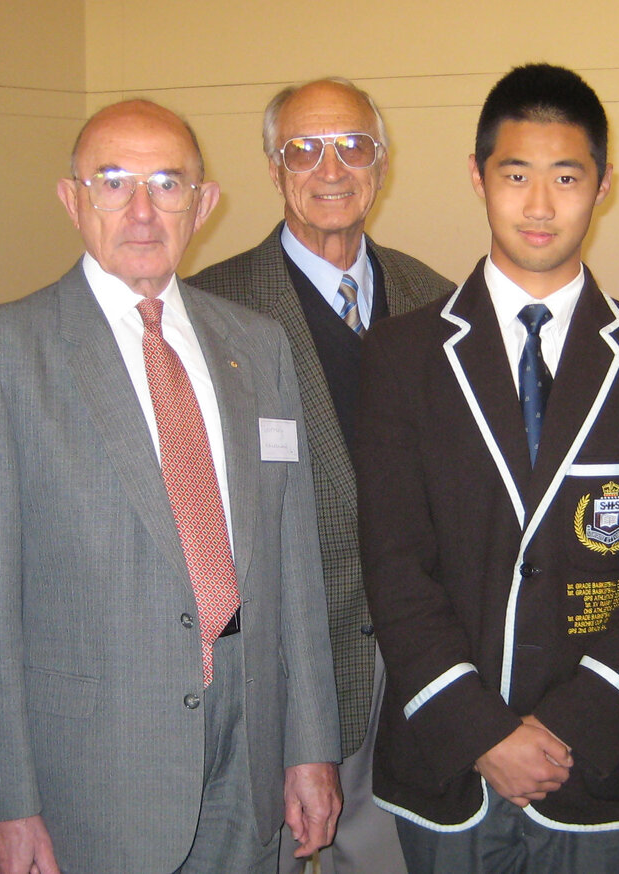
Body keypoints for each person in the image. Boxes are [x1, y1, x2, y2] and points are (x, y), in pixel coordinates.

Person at [0, 99, 342, 874]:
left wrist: (311, 747)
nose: (144, 211)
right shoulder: (0, 352)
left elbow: (295, 564)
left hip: (249, 752)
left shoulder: (256, 347)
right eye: (114, 182)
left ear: (206, 201)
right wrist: (10, 805)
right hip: (95, 774)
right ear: (72, 199)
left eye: (168, 183)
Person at [354, 63, 619, 874]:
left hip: (601, 765)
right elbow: (396, 568)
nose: (541, 205)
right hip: (448, 764)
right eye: (516, 176)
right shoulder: (403, 356)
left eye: (566, 177)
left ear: (604, 185)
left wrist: (568, 730)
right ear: (478, 178)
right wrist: (483, 733)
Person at [190, 77, 454, 874]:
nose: (331, 168)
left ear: (382, 162)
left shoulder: (434, 300)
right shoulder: (210, 307)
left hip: (412, 664)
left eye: (353, 146)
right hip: (282, 668)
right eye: (303, 149)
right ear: (273, 168)